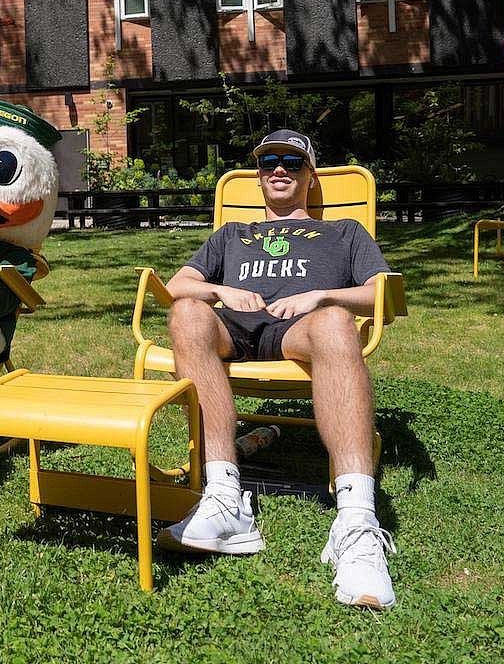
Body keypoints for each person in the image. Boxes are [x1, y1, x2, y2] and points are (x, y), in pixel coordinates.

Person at [156, 129, 399, 609]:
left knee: (333, 323)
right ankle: (225, 499)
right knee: (185, 312)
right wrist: (220, 292)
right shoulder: (232, 234)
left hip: (301, 332)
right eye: (269, 162)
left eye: (292, 161)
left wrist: (323, 296)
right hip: (233, 330)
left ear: (311, 176)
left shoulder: (345, 232)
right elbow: (177, 283)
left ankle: (356, 523)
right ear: (259, 177)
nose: (279, 169)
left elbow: (383, 294)